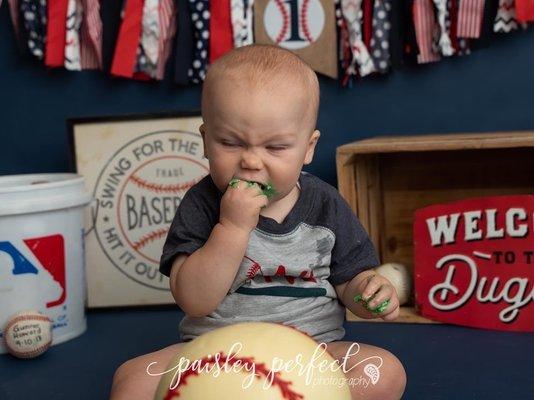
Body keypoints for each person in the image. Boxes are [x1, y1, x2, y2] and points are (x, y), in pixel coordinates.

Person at [110, 44, 406, 400]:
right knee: (132, 382)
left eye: (276, 148)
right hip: (213, 357)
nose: (251, 161)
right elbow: (194, 300)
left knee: (383, 373)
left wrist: (369, 292)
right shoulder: (202, 204)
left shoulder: (325, 205)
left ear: (308, 148)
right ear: (205, 141)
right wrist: (232, 228)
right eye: (230, 143)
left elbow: (349, 285)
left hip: (312, 355)